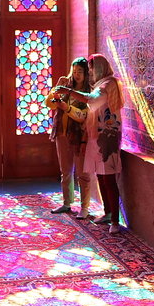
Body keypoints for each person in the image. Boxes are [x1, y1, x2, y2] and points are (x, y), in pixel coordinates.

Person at [54, 53, 124, 234]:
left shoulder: (108, 84)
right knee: (101, 176)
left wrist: (68, 92)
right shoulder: (101, 84)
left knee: (108, 178)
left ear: (99, 68)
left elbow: (91, 99)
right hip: (97, 136)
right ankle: (108, 213)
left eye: (91, 69)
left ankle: (115, 221)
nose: (90, 72)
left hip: (107, 138)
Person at [45, 57, 92, 217]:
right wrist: (55, 88)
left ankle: (84, 207)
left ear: (86, 73)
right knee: (65, 171)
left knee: (82, 173)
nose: (77, 75)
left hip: (80, 136)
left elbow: (83, 115)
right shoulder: (66, 86)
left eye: (80, 71)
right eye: (75, 71)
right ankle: (67, 203)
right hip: (62, 134)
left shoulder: (88, 92)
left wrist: (67, 108)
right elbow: (50, 103)